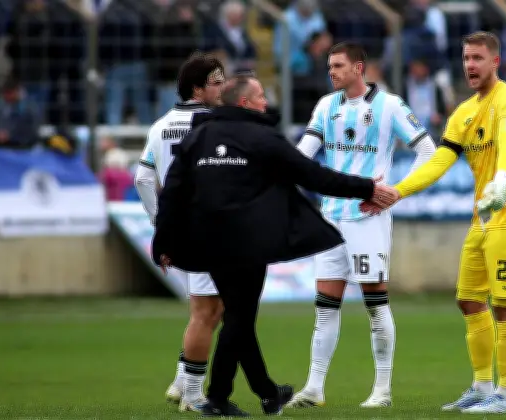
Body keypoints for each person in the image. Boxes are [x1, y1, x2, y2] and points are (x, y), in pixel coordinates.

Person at [151, 74, 400, 417]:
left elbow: (173, 192)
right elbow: (312, 175)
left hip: (209, 242)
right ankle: (218, 398)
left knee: (238, 316)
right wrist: (366, 188)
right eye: (260, 96)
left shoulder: (199, 136)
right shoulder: (262, 137)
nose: (266, 102)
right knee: (239, 318)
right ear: (244, 103)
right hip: (248, 243)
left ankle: (268, 392)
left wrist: (162, 240)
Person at [361, 31, 506, 414]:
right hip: (485, 220)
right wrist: (398, 190)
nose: (470, 66)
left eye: (478, 58)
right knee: (468, 300)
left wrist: (500, 180)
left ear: (496, 61)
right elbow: (441, 160)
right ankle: (482, 385)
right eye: (466, 58)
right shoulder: (464, 112)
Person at [287, 41, 436, 409]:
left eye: (337, 65)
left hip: (367, 218)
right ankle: (314, 388)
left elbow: (428, 151)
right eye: (329, 66)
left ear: (359, 68)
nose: (331, 72)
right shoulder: (326, 106)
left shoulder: (390, 106)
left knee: (374, 302)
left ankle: (382, 390)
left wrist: (397, 192)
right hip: (330, 218)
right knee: (325, 306)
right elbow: (301, 156)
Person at [133, 51, 226, 412]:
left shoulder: (160, 125)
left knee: (216, 309)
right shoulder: (212, 125)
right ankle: (191, 392)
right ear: (197, 88)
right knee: (206, 313)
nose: (222, 88)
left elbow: (142, 178)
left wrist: (161, 224)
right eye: (216, 82)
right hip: (209, 229)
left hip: (183, 229)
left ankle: (181, 379)